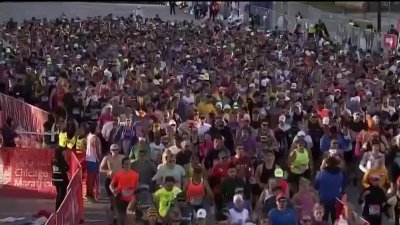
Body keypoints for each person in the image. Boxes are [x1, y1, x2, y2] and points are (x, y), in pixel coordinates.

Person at [314, 156, 345, 224]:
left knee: (324, 220)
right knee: (336, 219)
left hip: (324, 200)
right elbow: (341, 186)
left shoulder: (320, 174)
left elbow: (316, 187)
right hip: (336, 200)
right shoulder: (340, 174)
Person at [109, 157, 140, 225]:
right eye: (126, 164)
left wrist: (135, 192)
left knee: (130, 216)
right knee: (121, 217)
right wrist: (114, 191)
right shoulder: (118, 174)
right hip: (120, 197)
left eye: (129, 163)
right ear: (122, 165)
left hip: (131, 198)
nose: (128, 165)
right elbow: (111, 185)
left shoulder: (135, 175)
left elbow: (136, 186)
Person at [100, 144, 125, 224]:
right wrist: (108, 171)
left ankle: (120, 216)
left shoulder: (123, 157)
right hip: (110, 180)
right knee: (113, 200)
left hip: (120, 181)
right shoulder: (107, 158)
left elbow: (128, 166)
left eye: (116, 149)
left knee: (120, 200)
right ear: (110, 151)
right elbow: (101, 168)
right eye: (113, 150)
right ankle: (115, 217)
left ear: (119, 150)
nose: (115, 151)